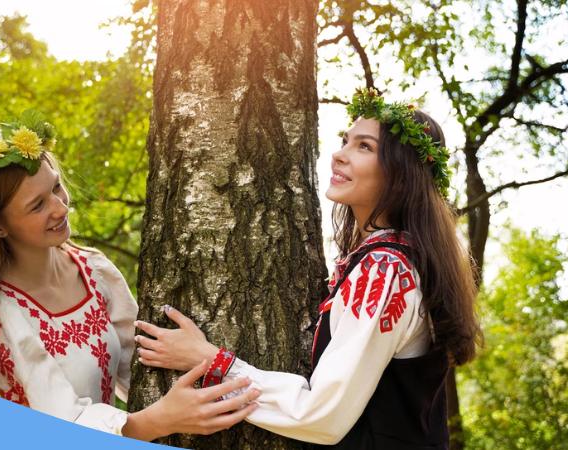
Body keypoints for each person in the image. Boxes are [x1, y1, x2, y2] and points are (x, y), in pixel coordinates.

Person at [133, 88, 482, 448]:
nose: (338, 155)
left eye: (363, 147)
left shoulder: (386, 271)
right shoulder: (396, 260)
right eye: (345, 141)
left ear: (402, 174)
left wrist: (211, 361)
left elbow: (322, 416)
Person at [0, 112, 259, 441]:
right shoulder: (2, 315)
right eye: (37, 205)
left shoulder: (94, 270)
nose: (60, 207)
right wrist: (158, 421)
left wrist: (201, 357)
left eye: (55, 188)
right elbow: (64, 423)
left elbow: (144, 368)